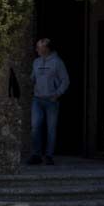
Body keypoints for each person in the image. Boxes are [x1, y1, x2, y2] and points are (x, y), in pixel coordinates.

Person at [28, 37, 69, 165]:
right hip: (37, 99)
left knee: (51, 129)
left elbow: (65, 80)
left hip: (51, 100)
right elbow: (33, 78)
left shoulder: (57, 62)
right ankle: (36, 155)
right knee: (35, 127)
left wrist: (57, 94)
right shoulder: (36, 62)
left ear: (46, 48)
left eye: (39, 47)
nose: (37, 50)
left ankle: (49, 155)